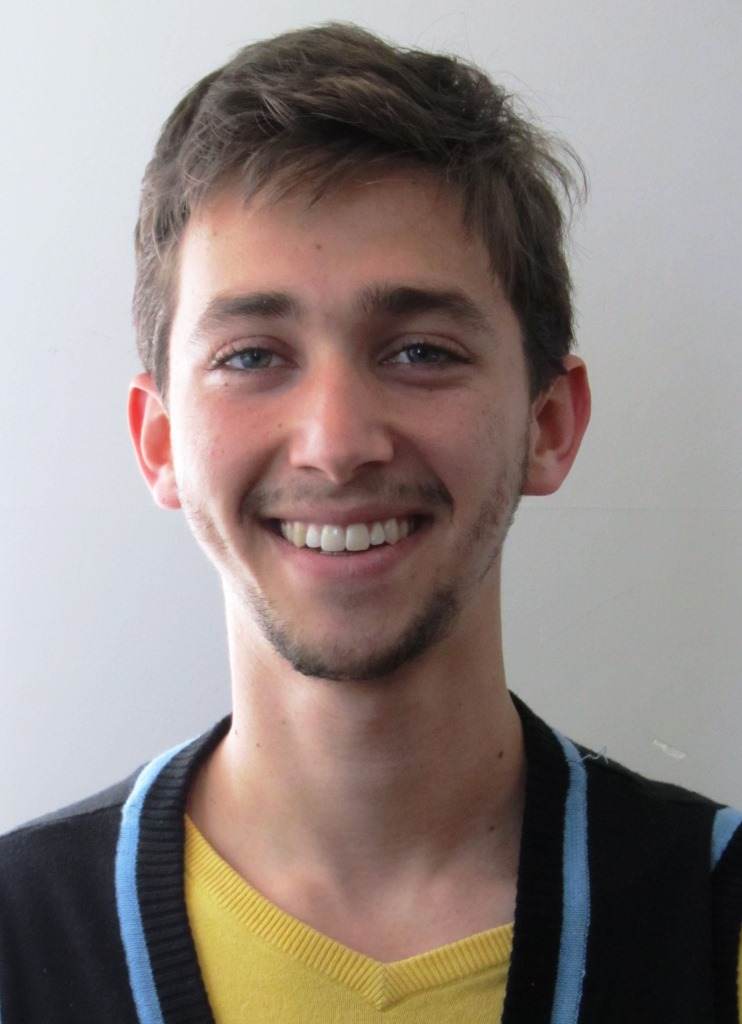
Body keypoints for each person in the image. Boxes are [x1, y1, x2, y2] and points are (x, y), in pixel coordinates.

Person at [1, 22, 740, 1024]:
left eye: (421, 351)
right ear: (160, 442)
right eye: (252, 356)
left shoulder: (717, 920)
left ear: (548, 424)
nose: (336, 443)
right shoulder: (19, 933)